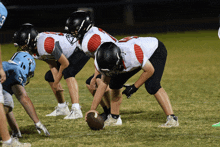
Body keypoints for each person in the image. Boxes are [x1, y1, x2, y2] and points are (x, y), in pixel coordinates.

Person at [86, 36, 179, 128]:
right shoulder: (102, 61)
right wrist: (92, 110)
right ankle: (115, 118)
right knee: (114, 83)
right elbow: (103, 83)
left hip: (154, 51)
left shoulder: (132, 55)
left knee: (152, 85)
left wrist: (134, 87)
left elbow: (149, 71)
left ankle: (172, 118)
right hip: (133, 57)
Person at [13, 23, 90, 119]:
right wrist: (55, 81)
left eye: (23, 44)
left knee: (68, 72)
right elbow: (51, 62)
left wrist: (57, 81)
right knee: (49, 76)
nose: (23, 47)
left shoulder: (46, 43)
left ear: (31, 40)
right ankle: (62, 107)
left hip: (80, 48)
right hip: (67, 55)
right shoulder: (34, 48)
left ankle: (76, 109)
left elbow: (65, 63)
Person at [65, 10, 118, 120]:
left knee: (99, 82)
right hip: (109, 61)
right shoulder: (88, 35)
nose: (73, 32)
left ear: (83, 27)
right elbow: (98, 59)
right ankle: (107, 111)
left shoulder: (91, 40)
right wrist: (94, 76)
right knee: (90, 83)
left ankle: (114, 114)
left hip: (117, 62)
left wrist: (95, 77)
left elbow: (102, 59)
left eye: (75, 29)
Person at [0, 2, 31, 146]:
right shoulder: (1, 10)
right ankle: (7, 141)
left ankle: (8, 139)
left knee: (4, 103)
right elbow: (22, 97)